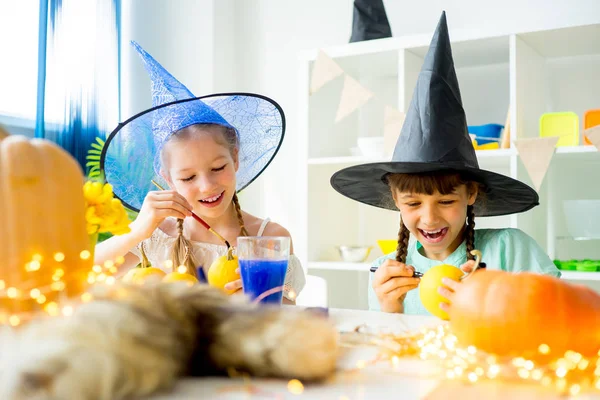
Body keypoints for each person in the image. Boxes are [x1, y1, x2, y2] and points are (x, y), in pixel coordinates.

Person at [329, 12, 560, 315]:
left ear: (471, 194)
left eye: (447, 200)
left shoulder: (510, 250)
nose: (429, 218)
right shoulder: (385, 271)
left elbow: (557, 317)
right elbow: (389, 353)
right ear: (396, 200)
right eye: (413, 203)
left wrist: (496, 300)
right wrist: (389, 309)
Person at [95, 41, 305, 304]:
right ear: (168, 179)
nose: (207, 186)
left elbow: (284, 318)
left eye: (218, 168)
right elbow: (81, 277)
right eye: (188, 177)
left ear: (236, 158)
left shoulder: (269, 239)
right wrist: (136, 231)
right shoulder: (158, 235)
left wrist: (255, 303)